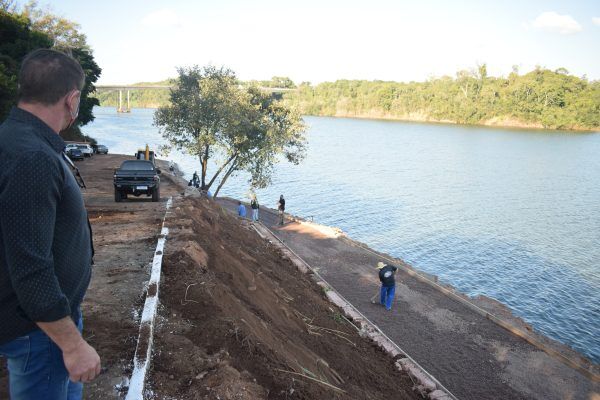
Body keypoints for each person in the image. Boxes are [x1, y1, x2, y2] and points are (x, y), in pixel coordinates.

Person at [0, 49, 101, 400]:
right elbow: (31, 267)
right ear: (72, 100)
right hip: (42, 335)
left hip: (49, 325)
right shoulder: (33, 159)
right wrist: (72, 346)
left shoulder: (16, 140)